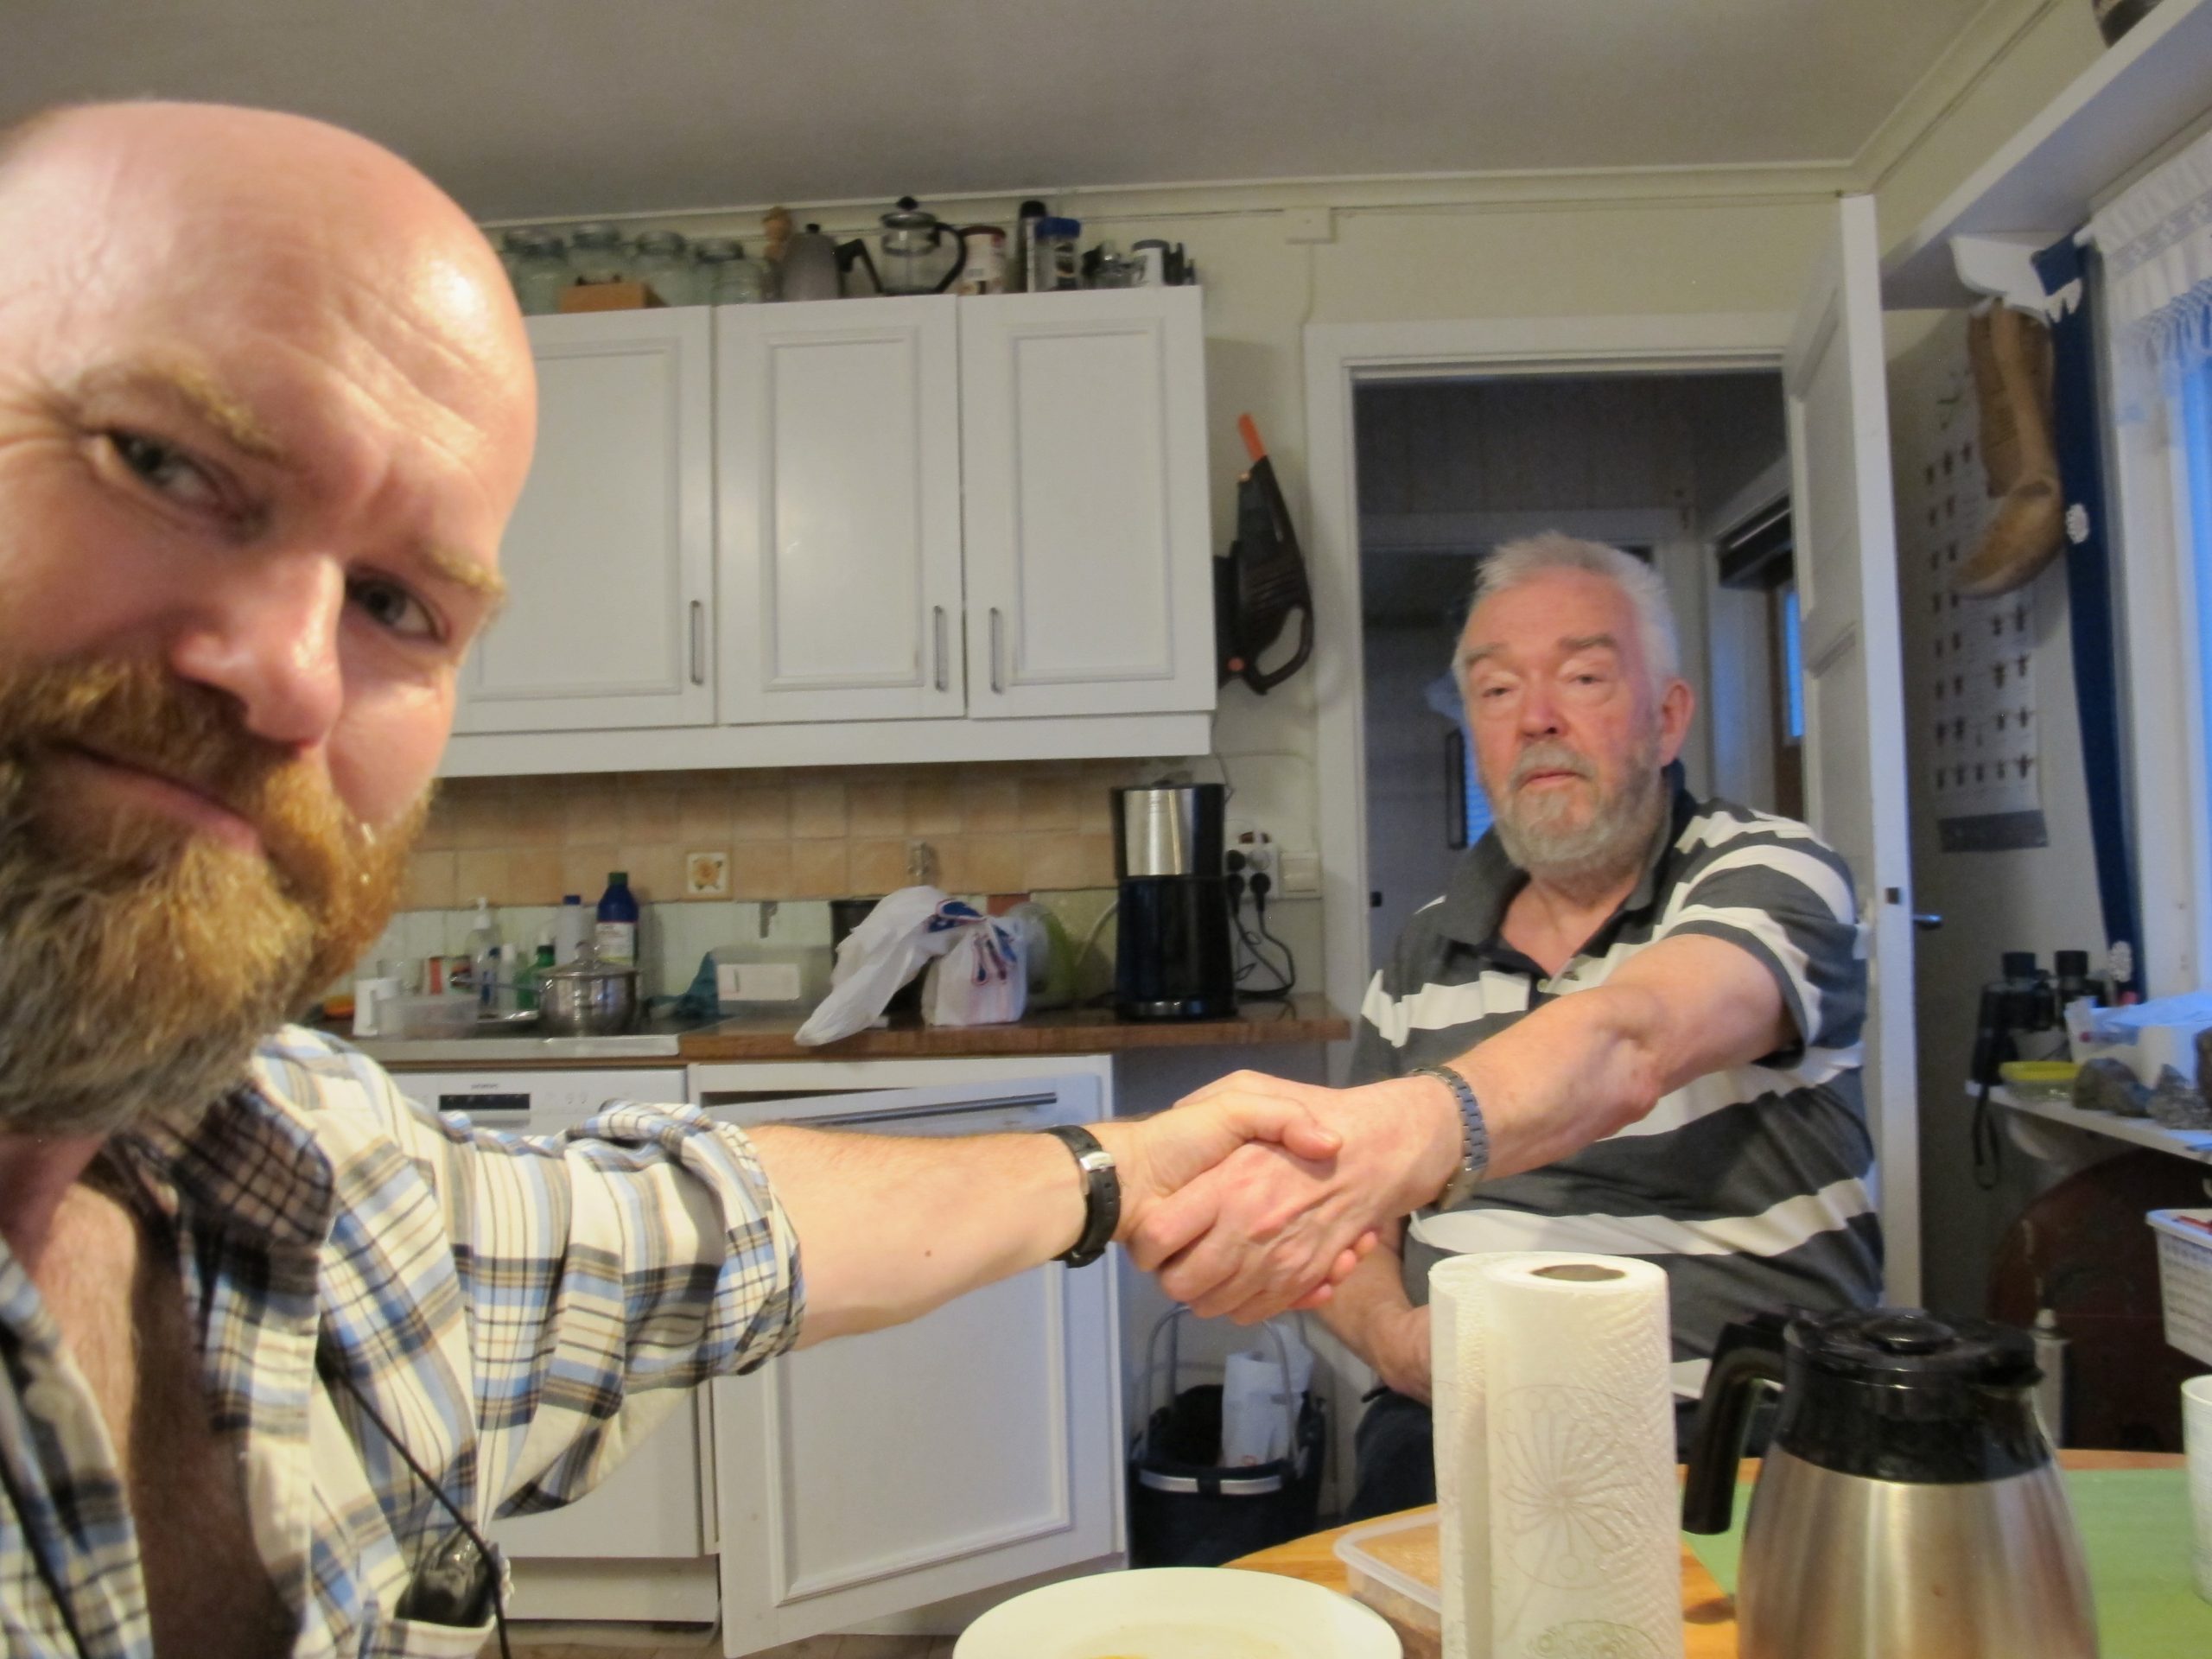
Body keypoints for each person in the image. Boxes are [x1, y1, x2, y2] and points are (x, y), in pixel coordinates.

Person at [0, 102, 1378, 1657]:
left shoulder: (307, 1178)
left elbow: (706, 1234)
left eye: (396, 602)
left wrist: (1121, 1166)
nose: (291, 677)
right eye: (162, 465)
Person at [1128, 533, 1882, 1519]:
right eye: (1494, 690)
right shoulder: (1423, 949)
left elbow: (1632, 1040)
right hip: (1461, 1419)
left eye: (1583, 677)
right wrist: (1395, 1343)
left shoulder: (1771, 871)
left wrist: (1419, 1129)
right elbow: (1355, 1230)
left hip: (1736, 1429)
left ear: (1667, 718)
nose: (1536, 718)